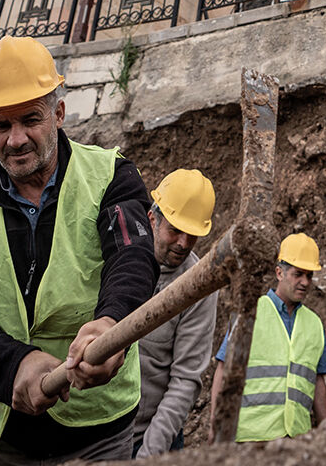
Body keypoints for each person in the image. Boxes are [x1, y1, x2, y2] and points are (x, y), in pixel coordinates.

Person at [0, 36, 159, 466]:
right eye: (0, 126)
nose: (15, 140)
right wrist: (15, 364)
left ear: (58, 113)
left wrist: (110, 326)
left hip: (97, 427)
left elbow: (131, 256)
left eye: (30, 120)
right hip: (0, 424)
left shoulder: (111, 176)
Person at [208, 233, 326, 442]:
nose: (305, 282)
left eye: (309, 276)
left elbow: (317, 381)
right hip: (251, 437)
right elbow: (223, 368)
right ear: (279, 273)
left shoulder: (315, 324)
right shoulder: (250, 310)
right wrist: (215, 424)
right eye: (298, 274)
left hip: (297, 440)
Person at [132, 169, 219, 457]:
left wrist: (150, 454)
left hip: (151, 436)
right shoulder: (122, 259)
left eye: (192, 234)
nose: (183, 242)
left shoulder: (198, 284)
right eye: (175, 230)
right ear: (153, 218)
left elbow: (185, 379)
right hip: (98, 431)